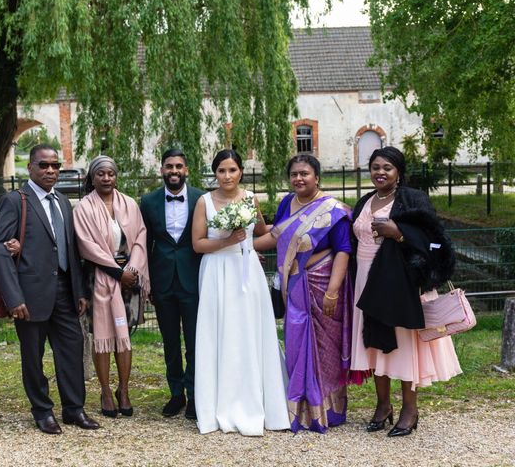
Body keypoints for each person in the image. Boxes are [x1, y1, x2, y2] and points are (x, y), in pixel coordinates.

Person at [351, 146, 461, 437]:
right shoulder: (364, 201)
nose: (380, 172)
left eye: (387, 167)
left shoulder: (413, 199)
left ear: (398, 171)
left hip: (400, 282)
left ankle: (410, 409)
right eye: (375, 167)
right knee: (374, 343)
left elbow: (433, 239)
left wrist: (398, 233)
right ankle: (383, 405)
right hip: (366, 279)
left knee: (404, 346)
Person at [254, 154, 365, 434]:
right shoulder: (286, 204)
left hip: (323, 282)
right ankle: (297, 407)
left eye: (304, 173)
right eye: (294, 174)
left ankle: (325, 411)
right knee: (295, 342)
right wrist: (238, 246)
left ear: (317, 177)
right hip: (294, 285)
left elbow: (343, 250)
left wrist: (332, 292)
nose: (299, 179)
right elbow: (277, 236)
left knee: (325, 348)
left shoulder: (333, 210)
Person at [0, 144, 99, 435]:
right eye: (43, 165)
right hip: (29, 296)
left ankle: (74, 409)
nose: (50, 171)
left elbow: (69, 248)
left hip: (65, 291)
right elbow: (1, 251)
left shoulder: (64, 202)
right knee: (33, 356)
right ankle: (42, 411)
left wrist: (79, 290)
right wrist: (13, 297)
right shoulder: (15, 201)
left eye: (55, 166)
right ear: (30, 167)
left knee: (72, 349)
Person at [192, 149, 289, 436]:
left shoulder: (250, 199)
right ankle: (218, 404)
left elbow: (260, 231)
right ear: (215, 173)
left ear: (240, 172)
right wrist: (227, 241)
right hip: (216, 270)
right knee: (219, 330)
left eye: (232, 170)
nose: (227, 176)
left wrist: (293, 225)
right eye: (221, 171)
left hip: (247, 271)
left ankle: (256, 397)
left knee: (249, 330)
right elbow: (197, 244)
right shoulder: (204, 202)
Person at [73, 155, 150, 418]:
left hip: (129, 279)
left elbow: (140, 237)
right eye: (100, 174)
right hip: (99, 278)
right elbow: (87, 246)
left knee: (124, 337)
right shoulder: (83, 207)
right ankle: (106, 391)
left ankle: (124, 390)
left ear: (116, 176)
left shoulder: (129, 204)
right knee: (102, 338)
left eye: (111, 174)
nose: (106, 178)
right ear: (92, 178)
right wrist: (117, 272)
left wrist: (132, 269)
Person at [140, 148, 205, 419]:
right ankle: (176, 393)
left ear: (186, 169)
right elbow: (143, 244)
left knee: (194, 341)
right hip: (162, 280)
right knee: (170, 341)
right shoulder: (148, 201)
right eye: (169, 166)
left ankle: (193, 394)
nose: (174, 171)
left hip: (193, 279)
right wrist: (147, 282)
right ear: (162, 170)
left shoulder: (201, 198)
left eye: (179, 166)